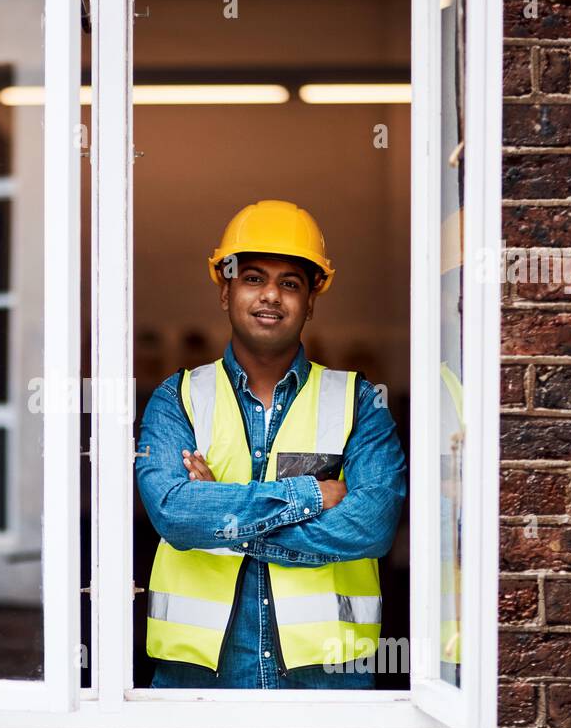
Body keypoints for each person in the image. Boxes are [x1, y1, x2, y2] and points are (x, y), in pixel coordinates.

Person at [135, 200, 407, 689]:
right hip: (199, 683)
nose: (271, 297)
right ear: (225, 291)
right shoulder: (176, 398)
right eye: (253, 278)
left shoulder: (359, 402)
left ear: (311, 300)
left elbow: (371, 525)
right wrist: (311, 496)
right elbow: (175, 513)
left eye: (290, 283)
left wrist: (223, 518)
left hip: (328, 681)